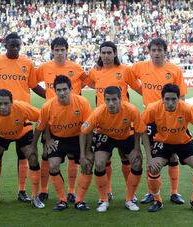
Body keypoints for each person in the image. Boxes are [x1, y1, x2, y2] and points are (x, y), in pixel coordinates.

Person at [128, 38, 188, 205]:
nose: (156, 53)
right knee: (153, 155)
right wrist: (140, 90)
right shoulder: (140, 67)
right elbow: (127, 75)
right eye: (153, 50)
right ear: (149, 51)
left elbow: (181, 95)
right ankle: (151, 192)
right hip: (150, 116)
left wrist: (179, 116)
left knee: (174, 155)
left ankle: (174, 192)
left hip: (170, 117)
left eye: (159, 50)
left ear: (165, 52)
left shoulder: (174, 70)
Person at [0, 32, 45, 202]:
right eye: (12, 45)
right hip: (0, 116)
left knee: (24, 155)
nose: (15, 48)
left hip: (23, 115)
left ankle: (22, 191)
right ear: (5, 45)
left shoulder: (27, 63)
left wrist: (51, 97)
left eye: (18, 45)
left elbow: (34, 86)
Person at [81, 86, 151, 212]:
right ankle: (104, 199)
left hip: (125, 136)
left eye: (114, 99)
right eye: (107, 100)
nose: (111, 103)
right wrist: (86, 151)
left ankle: (129, 199)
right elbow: (84, 130)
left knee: (137, 161)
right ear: (104, 100)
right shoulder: (98, 111)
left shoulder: (131, 110)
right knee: (99, 163)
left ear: (121, 99)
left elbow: (141, 130)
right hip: (106, 136)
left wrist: (137, 148)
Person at [36, 37, 89, 203]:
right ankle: (44, 190)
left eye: (62, 49)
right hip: (52, 118)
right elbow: (32, 83)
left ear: (67, 50)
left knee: (75, 157)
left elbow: (89, 82)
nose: (59, 53)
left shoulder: (76, 68)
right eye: (56, 50)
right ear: (52, 51)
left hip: (72, 115)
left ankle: (72, 191)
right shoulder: (44, 67)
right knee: (46, 154)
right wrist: (47, 97)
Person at [87, 41, 142, 201]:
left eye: (109, 52)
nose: (106, 56)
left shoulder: (125, 70)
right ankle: (107, 191)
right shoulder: (95, 72)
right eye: (103, 53)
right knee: (105, 158)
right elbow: (91, 84)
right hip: (102, 122)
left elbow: (138, 88)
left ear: (115, 53)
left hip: (124, 120)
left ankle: (130, 192)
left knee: (126, 157)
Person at [142, 83, 193, 212]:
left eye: (174, 99)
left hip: (183, 142)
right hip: (163, 143)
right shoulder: (153, 108)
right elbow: (142, 128)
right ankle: (157, 200)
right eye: (167, 99)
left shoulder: (188, 109)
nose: (170, 102)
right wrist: (149, 157)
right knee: (153, 168)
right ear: (162, 99)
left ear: (179, 99)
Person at [33, 75, 93, 211]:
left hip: (78, 137)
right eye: (58, 90)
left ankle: (80, 201)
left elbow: (88, 129)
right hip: (58, 138)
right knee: (53, 165)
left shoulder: (82, 102)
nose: (62, 93)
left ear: (71, 89)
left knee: (88, 163)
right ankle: (62, 200)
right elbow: (41, 126)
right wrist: (43, 141)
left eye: (65, 89)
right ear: (54, 91)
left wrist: (87, 151)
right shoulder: (48, 106)